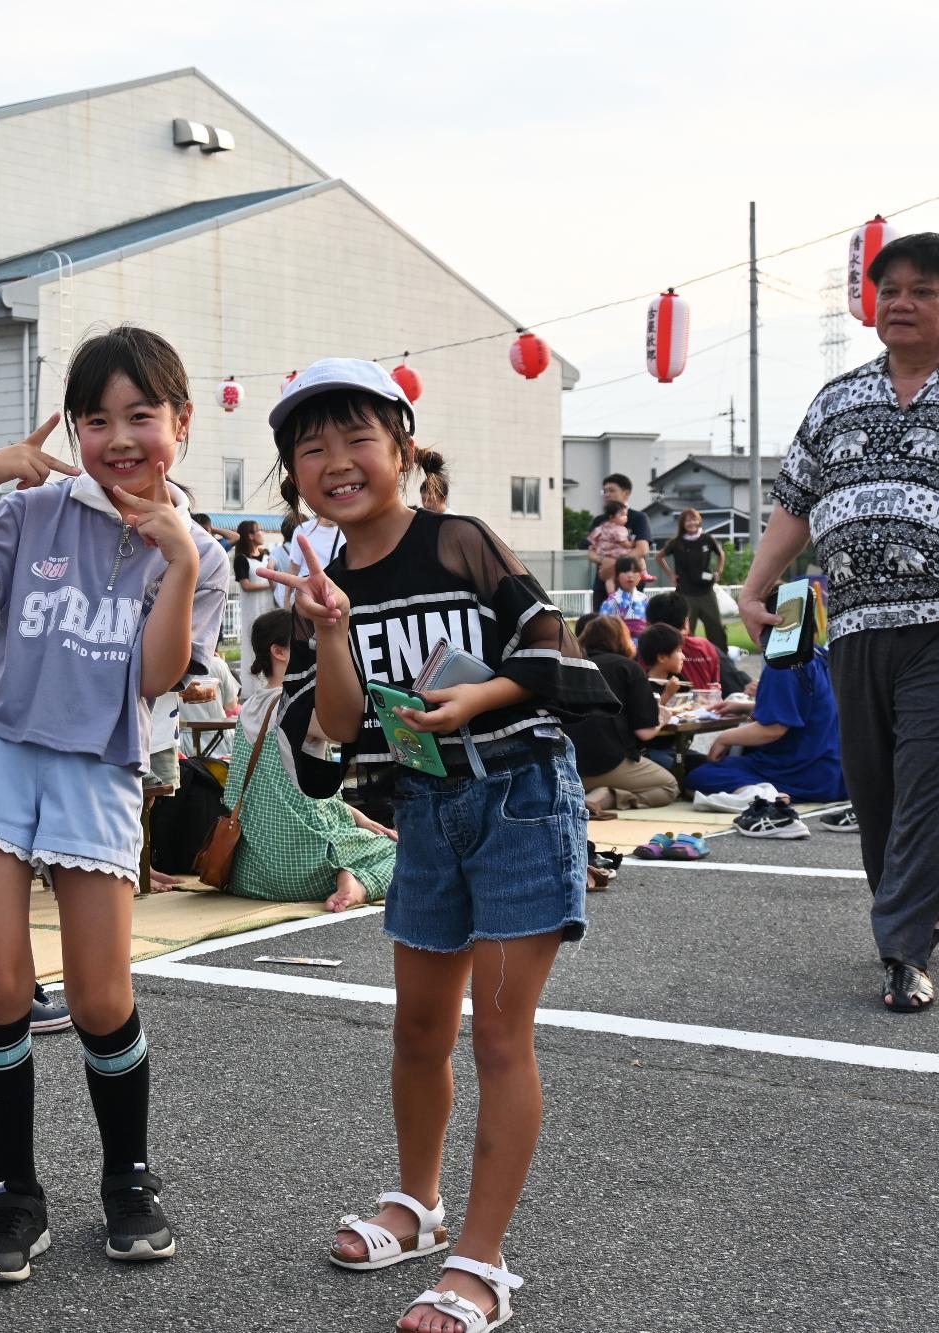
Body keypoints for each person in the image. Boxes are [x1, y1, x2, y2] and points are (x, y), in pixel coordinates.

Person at [259, 357, 615, 1333]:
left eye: (357, 437)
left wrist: (479, 696)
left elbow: (547, 645)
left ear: (403, 449)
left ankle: (480, 1261)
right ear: (293, 475)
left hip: (517, 797)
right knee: (417, 1030)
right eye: (311, 447)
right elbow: (335, 727)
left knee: (498, 1034)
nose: (336, 460)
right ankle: (417, 1206)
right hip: (422, 809)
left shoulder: (458, 539)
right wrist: (332, 630)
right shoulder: (322, 585)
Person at [0, 325, 229, 1285]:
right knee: (0, 988)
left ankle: (128, 1178)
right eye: (96, 419)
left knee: (100, 995)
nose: (119, 437)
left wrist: (180, 562)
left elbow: (156, 677)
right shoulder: (35, 507)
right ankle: (14, 1195)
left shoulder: (202, 552)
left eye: (141, 415)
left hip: (99, 763)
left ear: (182, 420)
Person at [741, 232, 939, 1012]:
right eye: (891, 290)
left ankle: (903, 950)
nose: (901, 303)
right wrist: (755, 585)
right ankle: (923, 902)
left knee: (928, 779)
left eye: (923, 291)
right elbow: (796, 501)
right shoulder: (836, 397)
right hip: (852, 623)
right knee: (874, 787)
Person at [224, 610, 397, 908]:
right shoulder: (301, 708)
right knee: (409, 853)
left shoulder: (250, 707)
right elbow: (351, 728)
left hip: (251, 872)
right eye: (306, 643)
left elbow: (288, 795)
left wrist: (359, 818)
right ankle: (356, 883)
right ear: (278, 652)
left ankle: (351, 876)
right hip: (304, 866)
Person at [687, 650, 848, 806]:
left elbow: (774, 728)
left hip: (801, 771)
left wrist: (724, 739)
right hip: (834, 772)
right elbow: (803, 707)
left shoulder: (782, 660)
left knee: (699, 776)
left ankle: (765, 796)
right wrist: (747, 707)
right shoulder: (817, 654)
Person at [568, 616, 677, 813]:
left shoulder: (569, 667)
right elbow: (645, 732)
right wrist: (662, 719)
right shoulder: (628, 668)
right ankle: (608, 796)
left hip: (567, 764)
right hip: (610, 760)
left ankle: (588, 793)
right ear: (622, 639)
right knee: (669, 786)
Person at [656, 507, 727, 651]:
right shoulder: (676, 542)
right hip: (685, 593)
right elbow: (659, 557)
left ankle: (720, 656)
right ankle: (685, 657)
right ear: (682, 524)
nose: (691, 523)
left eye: (694, 519)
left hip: (706, 591)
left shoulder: (707, 539)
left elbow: (721, 554)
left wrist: (718, 572)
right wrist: (671, 574)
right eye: (687, 521)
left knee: (716, 627)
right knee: (685, 629)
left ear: (699, 521)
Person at [643, 591, 727, 693]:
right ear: (686, 623)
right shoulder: (705, 647)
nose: (683, 656)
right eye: (678, 651)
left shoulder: (644, 652)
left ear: (648, 625)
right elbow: (716, 686)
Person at [586, 472, 651, 601]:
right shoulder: (599, 521)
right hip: (604, 583)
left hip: (631, 583)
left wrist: (616, 563)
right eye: (604, 491)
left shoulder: (638, 518)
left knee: (630, 614)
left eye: (611, 490)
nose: (607, 494)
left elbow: (642, 549)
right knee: (602, 614)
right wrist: (603, 559)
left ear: (626, 493)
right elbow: (591, 553)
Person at [230, 520, 275, 680]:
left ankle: (270, 682)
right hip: (252, 609)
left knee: (271, 645)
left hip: (269, 607)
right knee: (253, 646)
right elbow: (246, 585)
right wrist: (269, 585)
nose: (263, 533)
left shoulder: (268, 556)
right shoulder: (241, 559)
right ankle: (252, 685)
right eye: (259, 530)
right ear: (250, 536)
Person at [586, 501, 635, 589]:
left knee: (609, 579)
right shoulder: (620, 529)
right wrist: (632, 544)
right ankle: (644, 573)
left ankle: (611, 594)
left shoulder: (601, 528)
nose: (625, 517)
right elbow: (623, 543)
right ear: (611, 517)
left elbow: (592, 540)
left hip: (604, 556)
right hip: (618, 556)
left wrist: (598, 548)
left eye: (626, 515)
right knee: (625, 577)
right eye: (622, 515)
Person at [598, 555, 650, 634]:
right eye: (625, 571)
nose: (630, 575)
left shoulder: (645, 600)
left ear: (640, 576)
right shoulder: (609, 603)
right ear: (617, 576)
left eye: (634, 571)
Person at [416, 449, 450, 513]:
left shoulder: (453, 519)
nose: (426, 504)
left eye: (430, 500)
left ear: (443, 499)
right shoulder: (424, 516)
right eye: (423, 499)